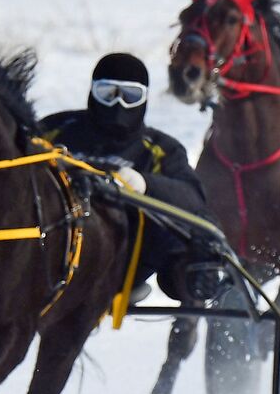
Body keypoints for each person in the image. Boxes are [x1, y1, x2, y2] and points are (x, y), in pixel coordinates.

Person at [40, 53, 226, 303]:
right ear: (92, 92)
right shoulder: (55, 130)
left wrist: (145, 184)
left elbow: (193, 197)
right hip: (49, 247)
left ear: (144, 98)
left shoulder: (160, 148)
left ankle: (188, 278)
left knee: (195, 225)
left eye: (130, 96)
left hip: (124, 260)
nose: (118, 104)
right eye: (107, 94)